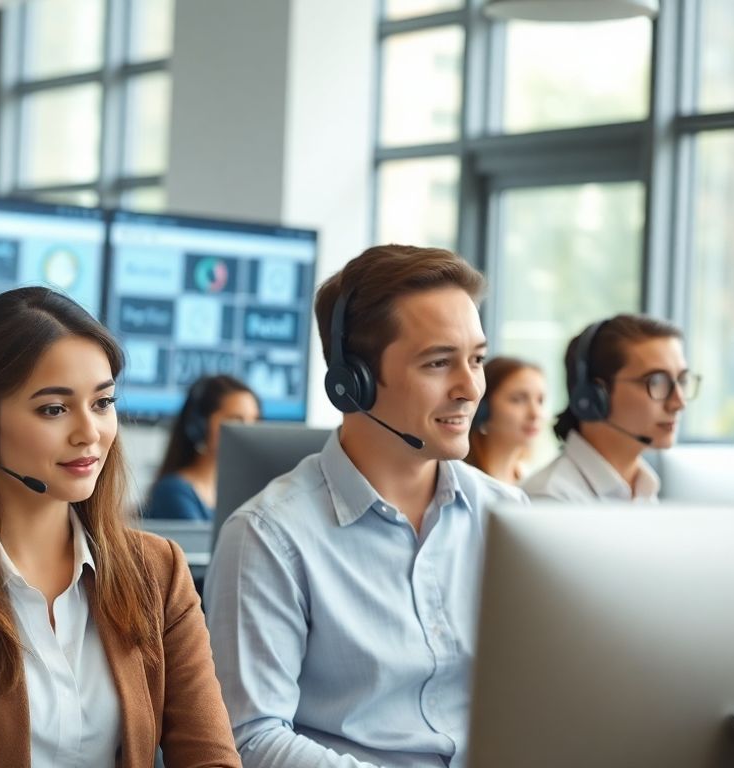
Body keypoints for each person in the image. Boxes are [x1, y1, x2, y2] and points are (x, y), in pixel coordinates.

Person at [0, 287, 240, 767]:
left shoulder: (157, 572)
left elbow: (211, 759)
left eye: (102, 403)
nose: (89, 433)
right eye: (54, 408)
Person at [204, 244, 529, 768]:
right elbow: (251, 738)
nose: (470, 388)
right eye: (439, 362)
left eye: (477, 360)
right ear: (350, 382)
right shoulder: (269, 537)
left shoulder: (508, 517)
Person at [521, 314, 697, 502]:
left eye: (682, 380)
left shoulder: (644, 488)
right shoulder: (550, 498)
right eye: (656, 382)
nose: (679, 403)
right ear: (594, 396)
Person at [146, 374, 261, 521]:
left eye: (255, 420)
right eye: (236, 420)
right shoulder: (173, 492)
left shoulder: (244, 492)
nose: (248, 430)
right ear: (200, 425)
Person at [462, 356, 546, 485]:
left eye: (540, 400)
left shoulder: (528, 478)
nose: (535, 413)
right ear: (483, 408)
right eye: (518, 399)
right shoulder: (463, 481)